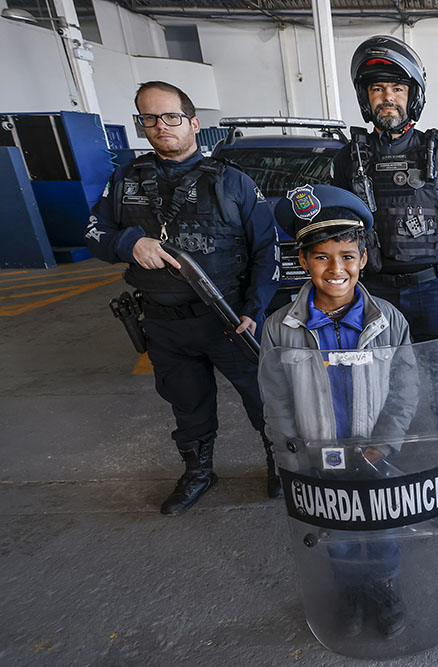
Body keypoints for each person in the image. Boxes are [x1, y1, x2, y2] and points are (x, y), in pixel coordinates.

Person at [85, 80, 280, 516]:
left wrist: (254, 309)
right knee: (187, 405)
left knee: (264, 399)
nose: (161, 125)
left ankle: (280, 463)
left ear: (193, 123)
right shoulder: (126, 179)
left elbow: (267, 251)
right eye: (149, 118)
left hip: (229, 319)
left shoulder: (232, 182)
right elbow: (94, 232)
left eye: (171, 116)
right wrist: (129, 243)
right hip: (164, 324)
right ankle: (198, 472)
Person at [260, 184, 414, 639]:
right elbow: (276, 399)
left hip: (374, 455)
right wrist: (291, 456)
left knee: (381, 528)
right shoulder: (280, 328)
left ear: (363, 259)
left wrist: (386, 443)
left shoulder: (389, 320)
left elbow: (405, 388)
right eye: (322, 257)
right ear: (303, 260)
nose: (336, 269)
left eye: (347, 256)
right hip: (317, 458)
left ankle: (383, 587)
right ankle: (349, 591)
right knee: (337, 532)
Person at [330, 34, 438, 343]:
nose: (388, 98)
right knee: (377, 367)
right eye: (377, 89)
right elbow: (337, 222)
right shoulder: (348, 159)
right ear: (366, 97)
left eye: (397, 89)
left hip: (431, 288)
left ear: (412, 96)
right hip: (372, 287)